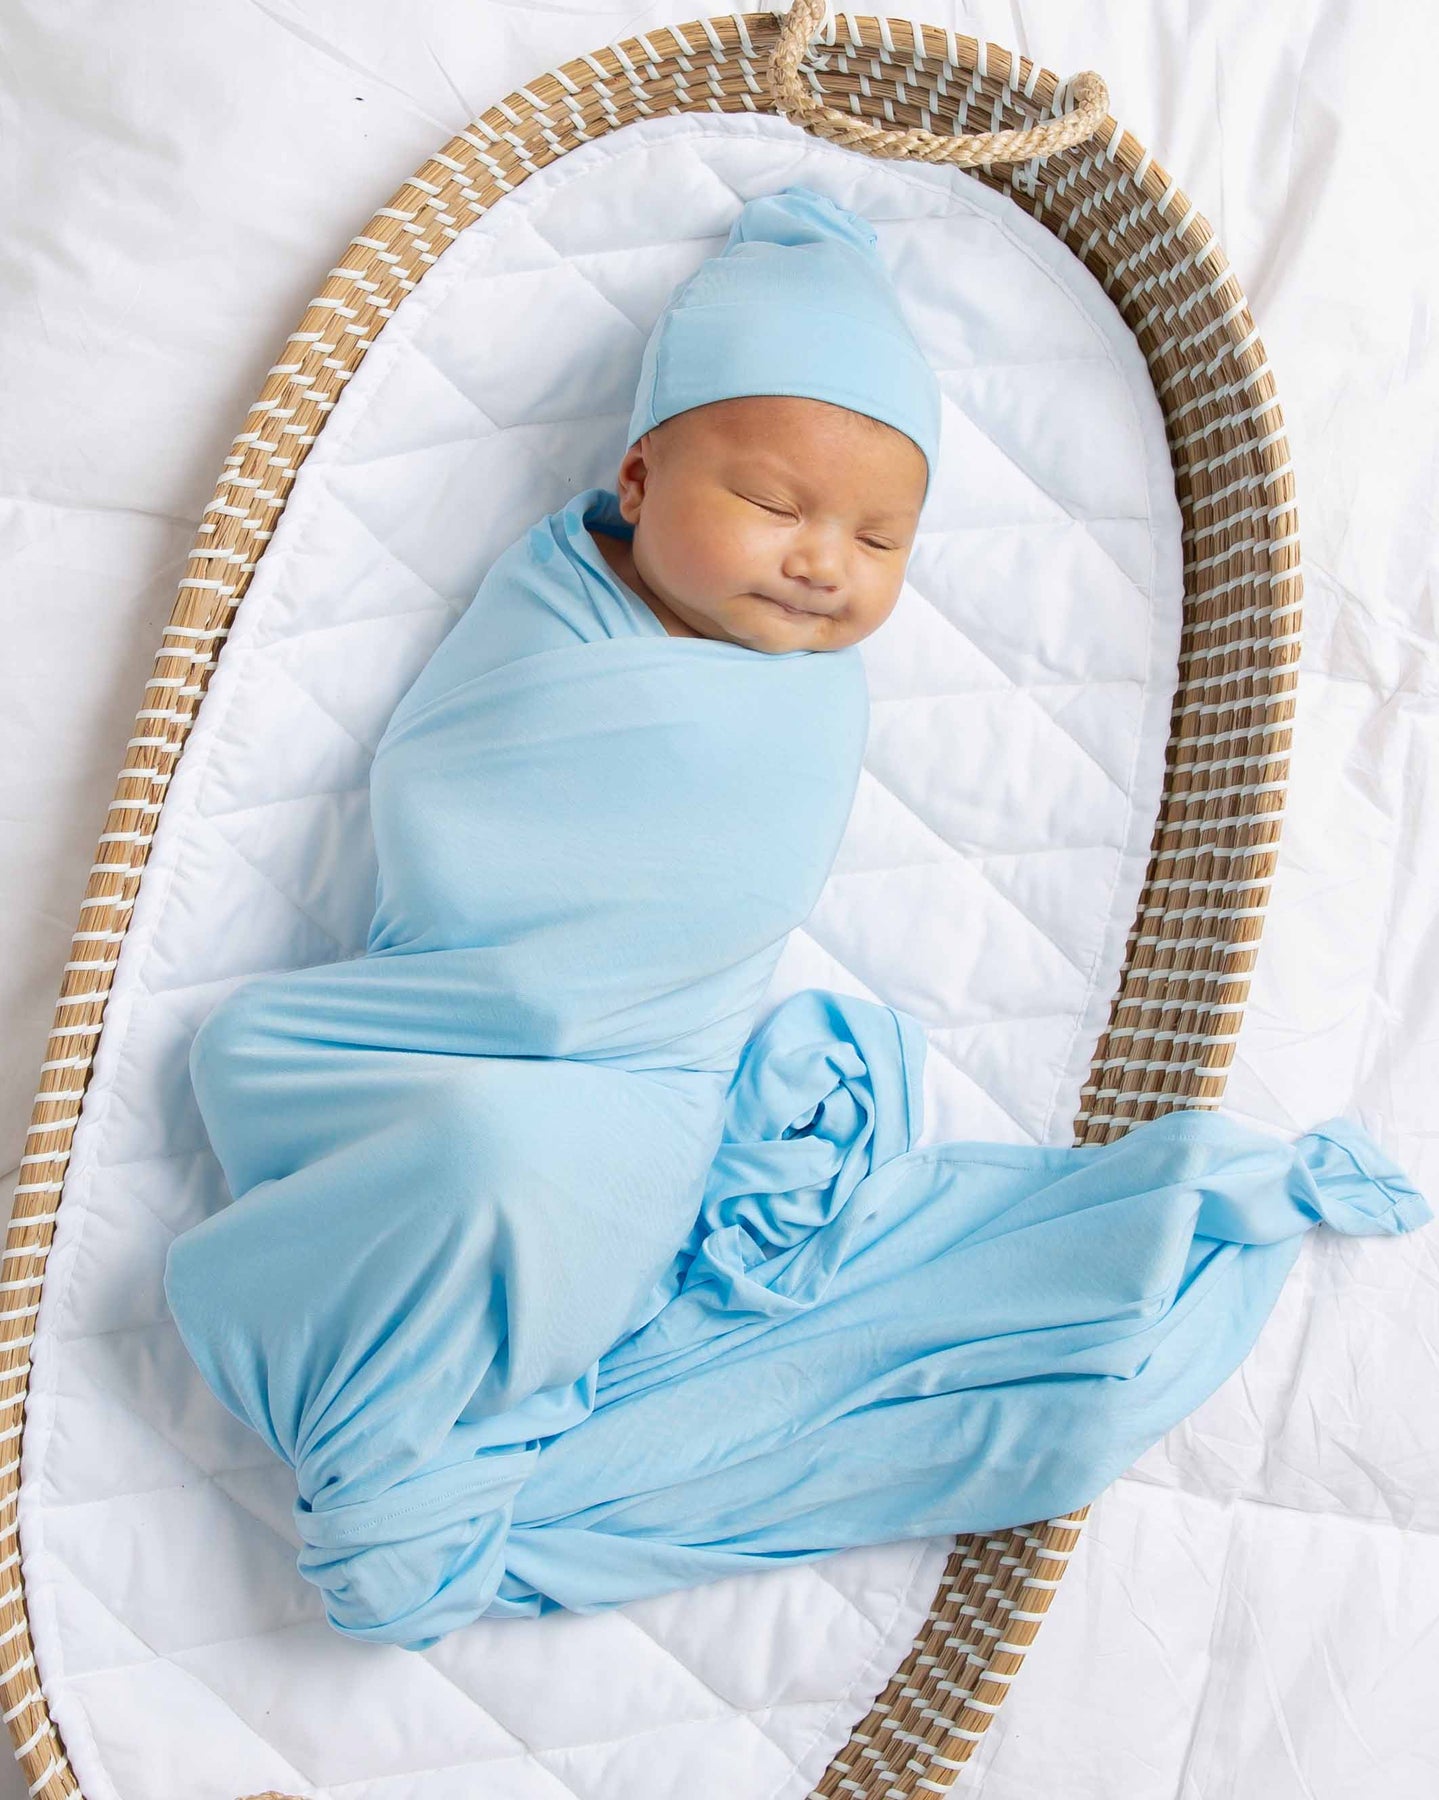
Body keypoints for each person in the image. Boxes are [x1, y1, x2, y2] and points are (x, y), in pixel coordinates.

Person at [163, 185, 1432, 1655]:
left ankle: (404, 1469)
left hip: (645, 1074)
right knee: (356, 1096)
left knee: (497, 1167)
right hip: (445, 1011)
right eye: (773, 506)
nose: (824, 559)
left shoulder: (804, 698)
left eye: (882, 539)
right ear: (637, 476)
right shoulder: (553, 611)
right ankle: (397, 1427)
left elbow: (720, 879)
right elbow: (451, 783)